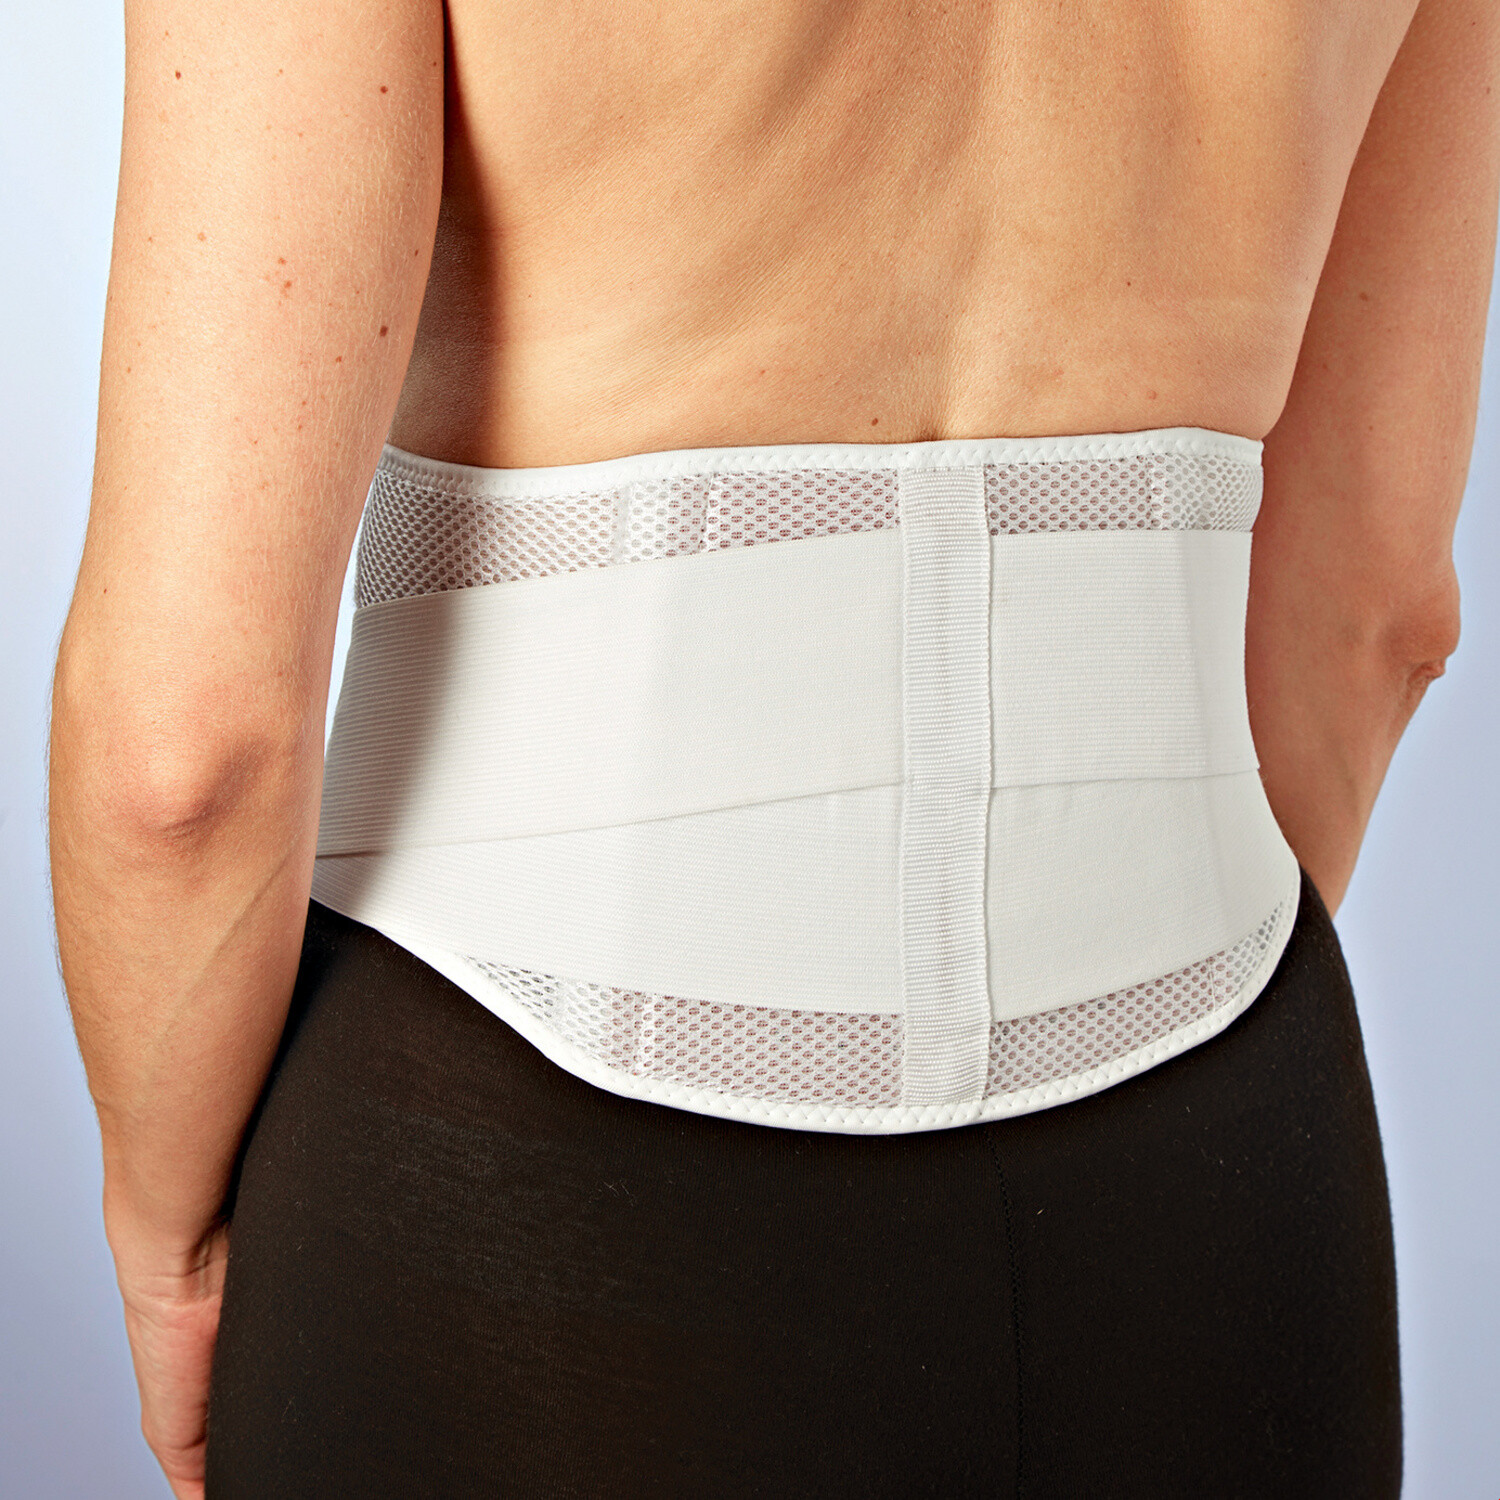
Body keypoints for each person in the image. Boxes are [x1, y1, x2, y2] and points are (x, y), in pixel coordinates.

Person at [48, 0, 1498, 1495]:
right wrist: (1136, 963)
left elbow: (187, 758)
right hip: (1223, 1193)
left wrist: (170, 1245)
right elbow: (1375, 614)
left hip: (513, 1187)